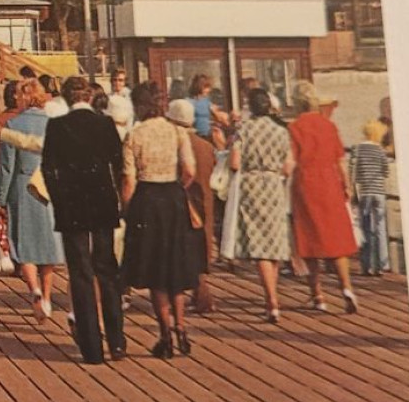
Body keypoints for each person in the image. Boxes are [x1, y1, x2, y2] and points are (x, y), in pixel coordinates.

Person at [41, 76, 126, 364]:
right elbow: (118, 161)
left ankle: (92, 348)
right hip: (102, 201)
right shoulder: (105, 124)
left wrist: (59, 198)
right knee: (107, 268)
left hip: (72, 204)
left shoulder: (57, 126)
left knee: (80, 273)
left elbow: (48, 168)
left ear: (65, 99)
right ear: (89, 97)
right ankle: (117, 341)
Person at [121, 83, 204, 358]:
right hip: (173, 196)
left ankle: (165, 332)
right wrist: (178, 187)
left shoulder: (134, 135)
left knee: (156, 270)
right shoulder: (177, 132)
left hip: (147, 198)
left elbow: (129, 180)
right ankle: (181, 327)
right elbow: (190, 170)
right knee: (174, 267)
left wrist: (128, 208)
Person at [289, 83, 361, 313]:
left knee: (310, 239)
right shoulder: (329, 126)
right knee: (336, 239)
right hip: (330, 182)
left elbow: (290, 161)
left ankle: (317, 295)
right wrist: (347, 185)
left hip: (306, 183)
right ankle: (347, 288)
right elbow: (340, 159)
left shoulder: (294, 127)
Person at [0, 79, 63, 320]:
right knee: (48, 244)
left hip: (22, 186)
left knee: (23, 243)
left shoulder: (13, 124)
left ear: (23, 97)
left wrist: (0, 198)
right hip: (48, 187)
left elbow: (6, 167)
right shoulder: (54, 125)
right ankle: (46, 297)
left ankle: (33, 288)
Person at [229, 86, 295, 321]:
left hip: (252, 185)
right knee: (274, 242)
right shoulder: (281, 131)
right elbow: (288, 167)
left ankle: (271, 301)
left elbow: (235, 163)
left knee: (259, 247)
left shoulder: (243, 129)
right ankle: (273, 296)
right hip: (273, 185)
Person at [166, 99, 219, 314]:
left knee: (181, 246)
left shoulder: (175, 143)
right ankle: (201, 293)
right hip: (204, 199)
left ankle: (198, 293)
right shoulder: (205, 145)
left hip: (183, 200)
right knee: (202, 245)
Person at [352, 120, 392, 277]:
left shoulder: (358, 149)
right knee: (380, 228)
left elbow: (353, 171)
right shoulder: (380, 151)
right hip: (379, 192)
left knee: (366, 227)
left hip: (365, 192)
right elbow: (386, 171)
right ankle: (382, 264)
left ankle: (367, 265)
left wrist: (353, 190)